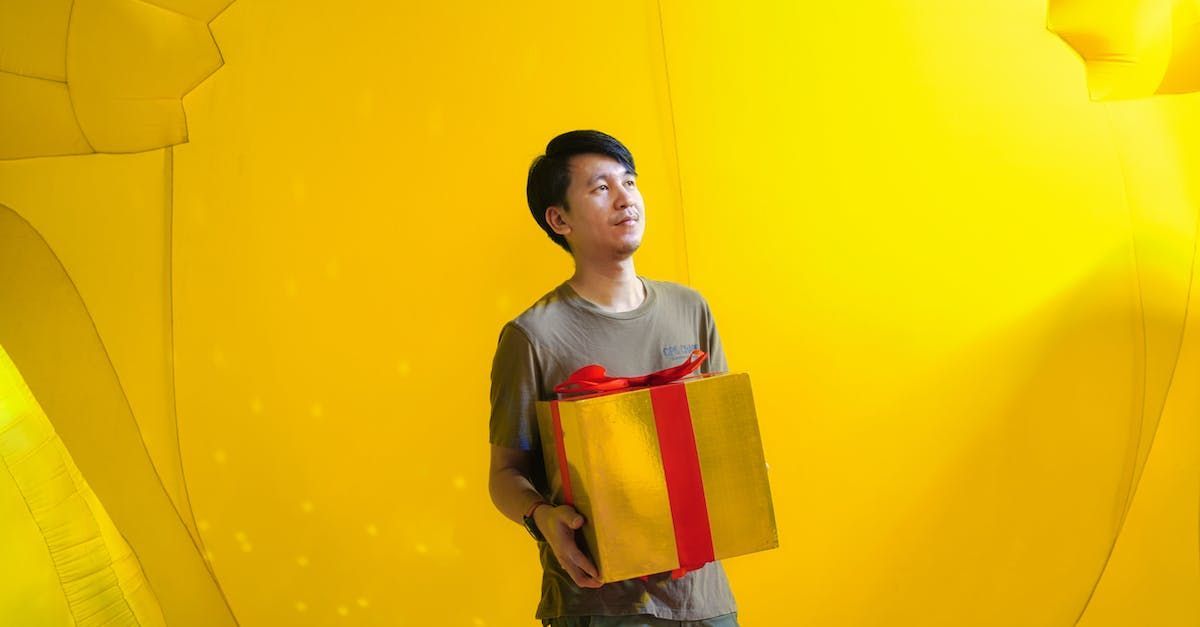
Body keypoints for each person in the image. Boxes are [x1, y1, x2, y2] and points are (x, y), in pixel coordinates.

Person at [488, 130, 740, 626]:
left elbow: (722, 438)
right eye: (600, 188)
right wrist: (542, 517)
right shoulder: (534, 335)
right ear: (559, 219)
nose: (626, 197)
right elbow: (504, 474)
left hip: (704, 600)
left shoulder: (690, 309)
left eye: (629, 181)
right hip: (596, 605)